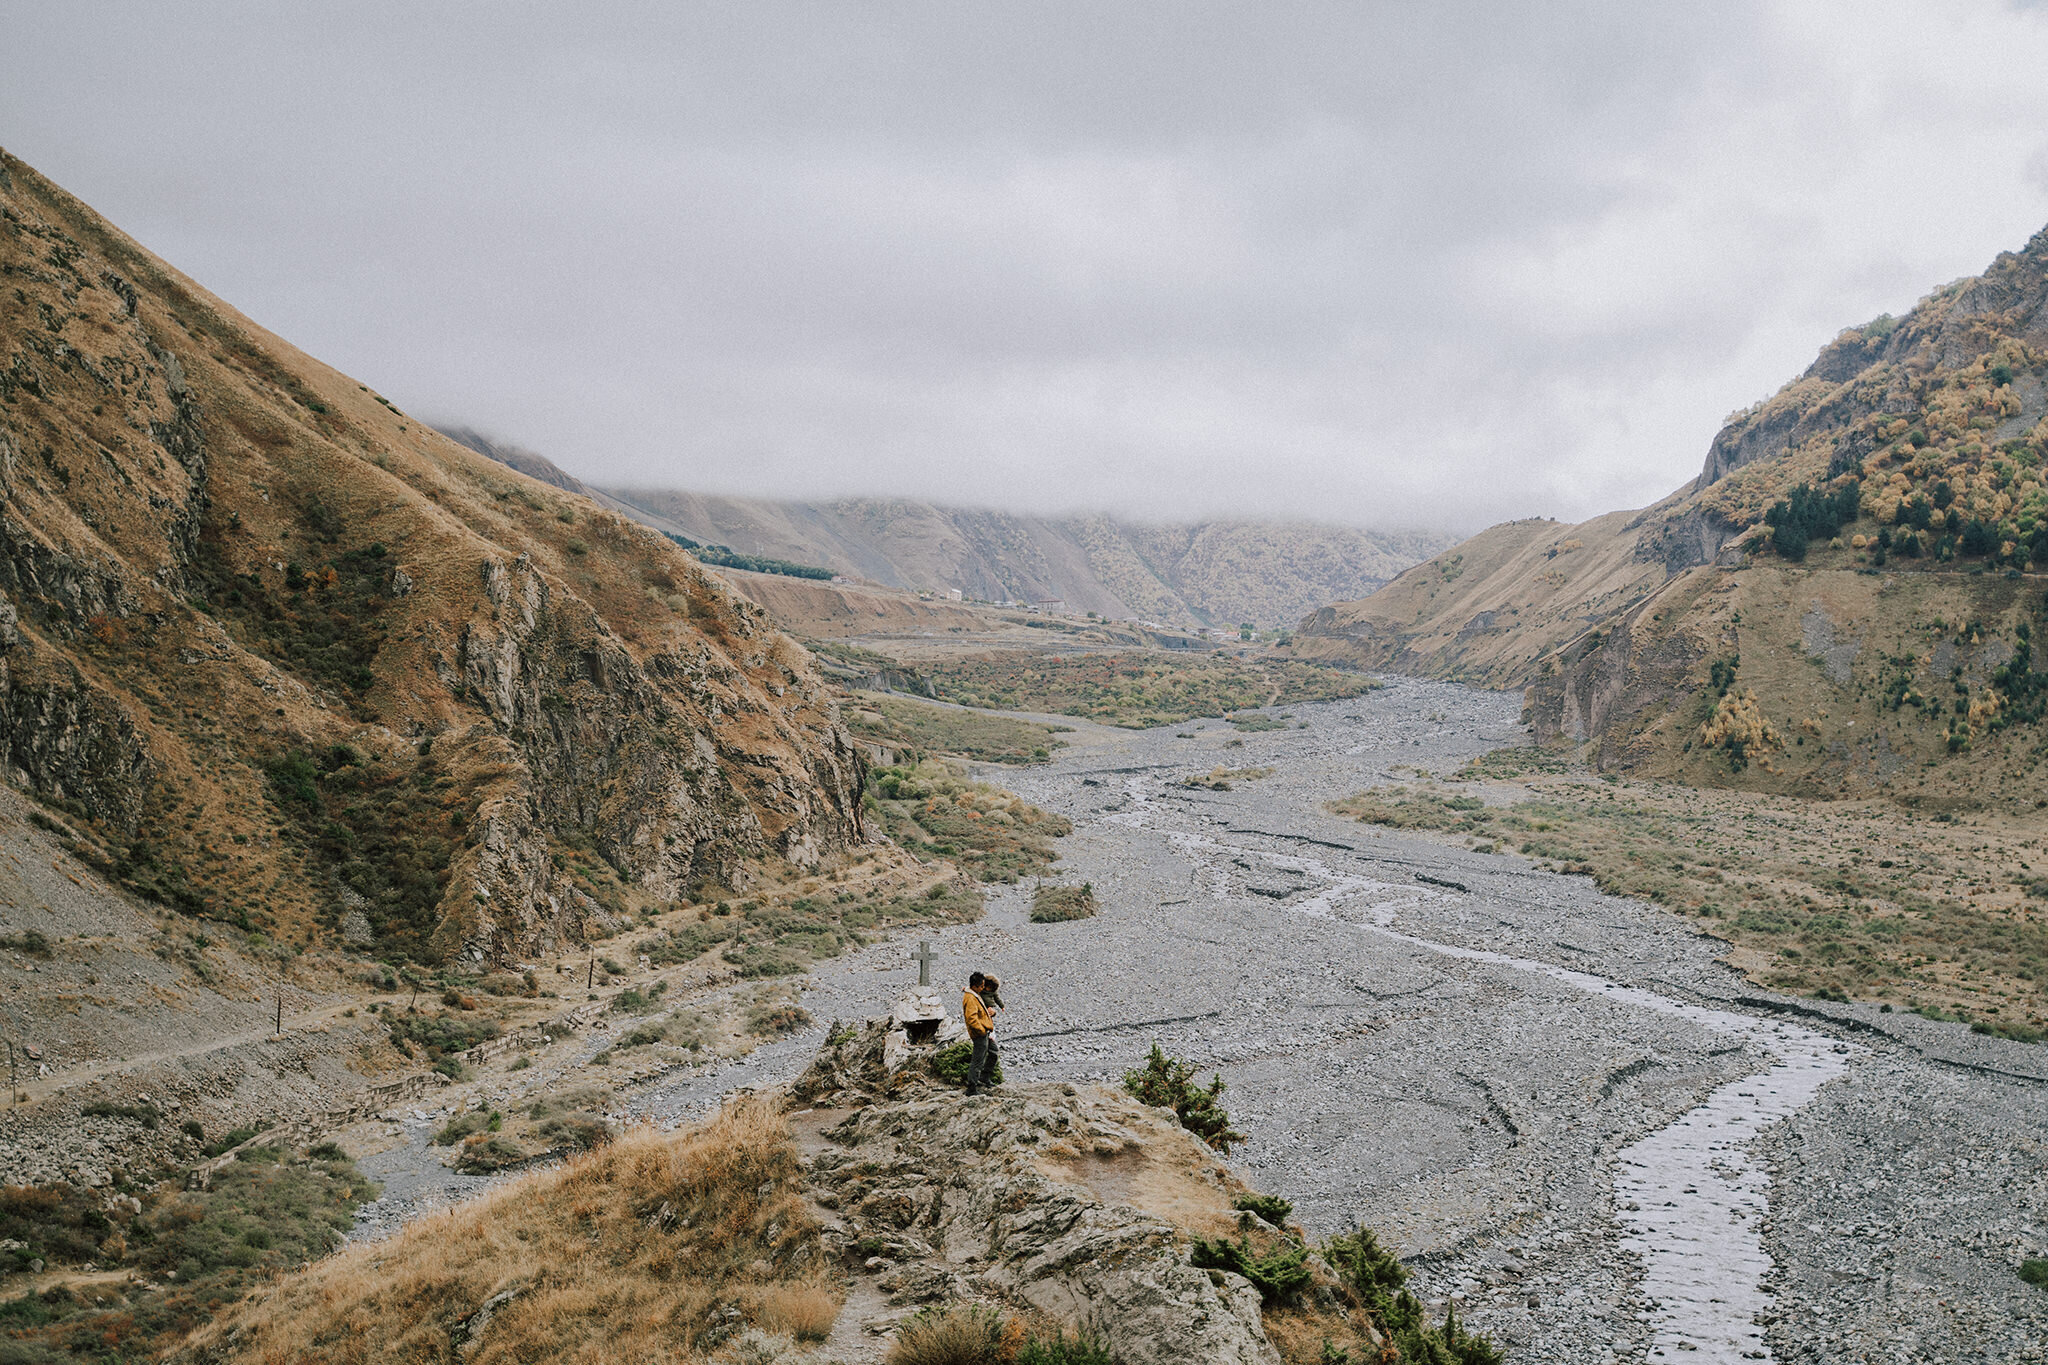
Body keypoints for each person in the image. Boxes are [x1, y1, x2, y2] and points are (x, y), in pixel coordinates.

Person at [963, 970, 1000, 1095]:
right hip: (980, 1034)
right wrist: (981, 1030)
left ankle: (984, 1077)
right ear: (975, 986)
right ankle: (971, 1087)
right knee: (978, 1060)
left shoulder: (976, 995)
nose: (983, 988)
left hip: (985, 1033)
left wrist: (992, 1014)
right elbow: (971, 1018)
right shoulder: (971, 998)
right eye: (981, 986)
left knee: (993, 1053)